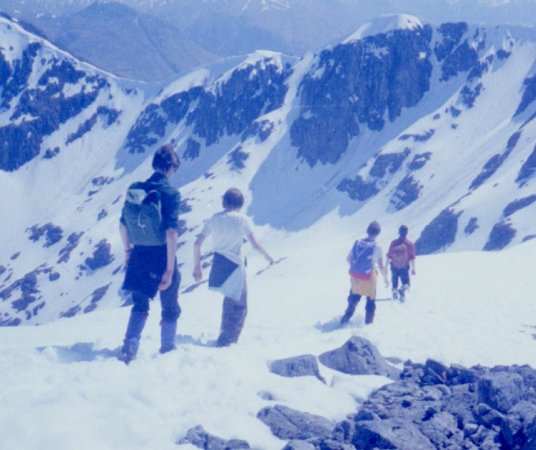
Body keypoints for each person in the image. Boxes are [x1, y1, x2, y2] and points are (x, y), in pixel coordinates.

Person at [119, 144, 182, 363]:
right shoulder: (171, 194)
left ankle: (129, 347)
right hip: (162, 255)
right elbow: (171, 233)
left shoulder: (136, 189)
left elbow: (123, 226)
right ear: (171, 167)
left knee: (139, 304)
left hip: (139, 254)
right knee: (170, 307)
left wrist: (127, 251)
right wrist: (170, 269)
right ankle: (167, 350)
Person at [193, 188, 274, 347]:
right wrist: (268, 257)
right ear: (241, 204)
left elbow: (197, 243)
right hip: (235, 266)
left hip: (219, 265)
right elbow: (255, 244)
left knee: (229, 301)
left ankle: (225, 335)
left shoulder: (213, 219)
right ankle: (227, 342)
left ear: (224, 202)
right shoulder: (241, 220)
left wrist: (197, 267)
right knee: (239, 306)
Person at [340, 221, 389, 326]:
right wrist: (386, 278)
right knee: (370, 301)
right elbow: (381, 266)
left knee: (353, 297)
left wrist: (358, 269)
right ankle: (368, 324)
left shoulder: (357, 243)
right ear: (378, 233)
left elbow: (348, 259)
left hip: (355, 278)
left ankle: (345, 318)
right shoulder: (377, 247)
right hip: (369, 278)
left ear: (368, 231)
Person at [386, 225, 416, 301]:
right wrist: (413, 269)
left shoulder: (394, 243)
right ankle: (402, 289)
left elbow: (389, 255)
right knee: (407, 283)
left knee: (394, 280)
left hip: (394, 266)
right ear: (407, 233)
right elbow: (412, 257)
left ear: (399, 232)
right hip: (404, 267)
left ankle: (395, 291)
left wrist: (385, 267)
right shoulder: (409, 244)